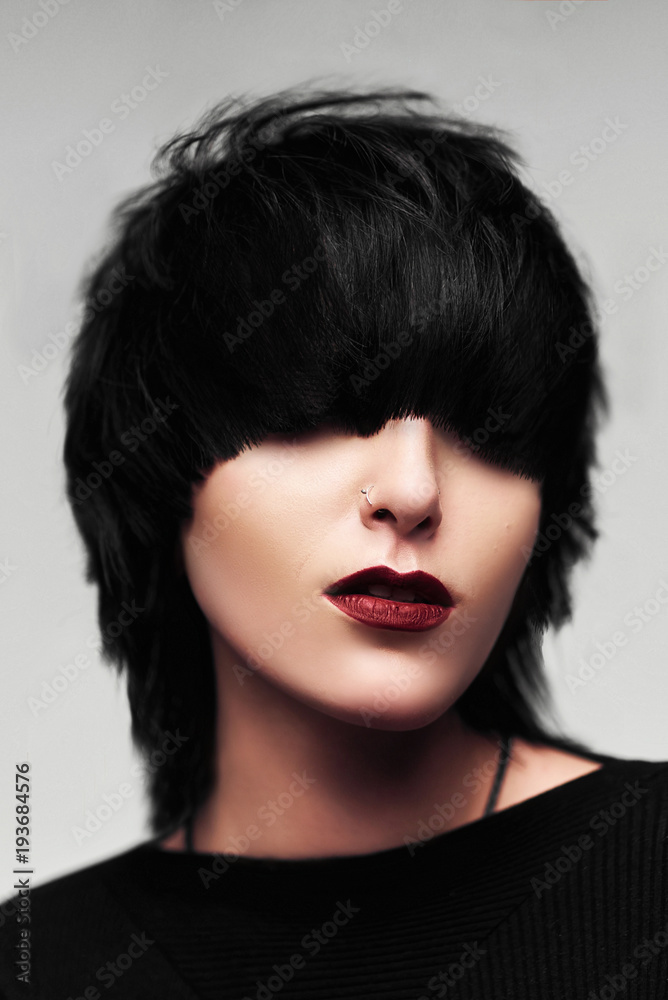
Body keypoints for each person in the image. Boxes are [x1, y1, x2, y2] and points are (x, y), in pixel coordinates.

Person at [2, 87, 667, 1000]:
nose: (414, 492)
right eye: (313, 414)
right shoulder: (37, 964)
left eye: (492, 430)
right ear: (160, 477)